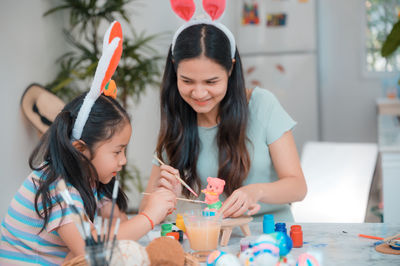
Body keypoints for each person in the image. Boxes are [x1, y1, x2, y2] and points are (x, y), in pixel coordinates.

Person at [0, 21, 176, 265]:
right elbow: (89, 250)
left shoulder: (90, 178)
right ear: (80, 149)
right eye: (117, 151)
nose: (123, 160)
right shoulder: (57, 186)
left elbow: (118, 225)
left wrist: (160, 202)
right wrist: (149, 216)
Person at [140, 16, 306, 222]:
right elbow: (145, 210)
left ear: (230, 69)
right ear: (174, 70)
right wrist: (170, 197)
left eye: (211, 81)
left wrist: (256, 192)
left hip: (268, 236)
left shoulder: (262, 105)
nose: (199, 93)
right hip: (207, 242)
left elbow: (298, 187)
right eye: (187, 81)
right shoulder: (178, 117)